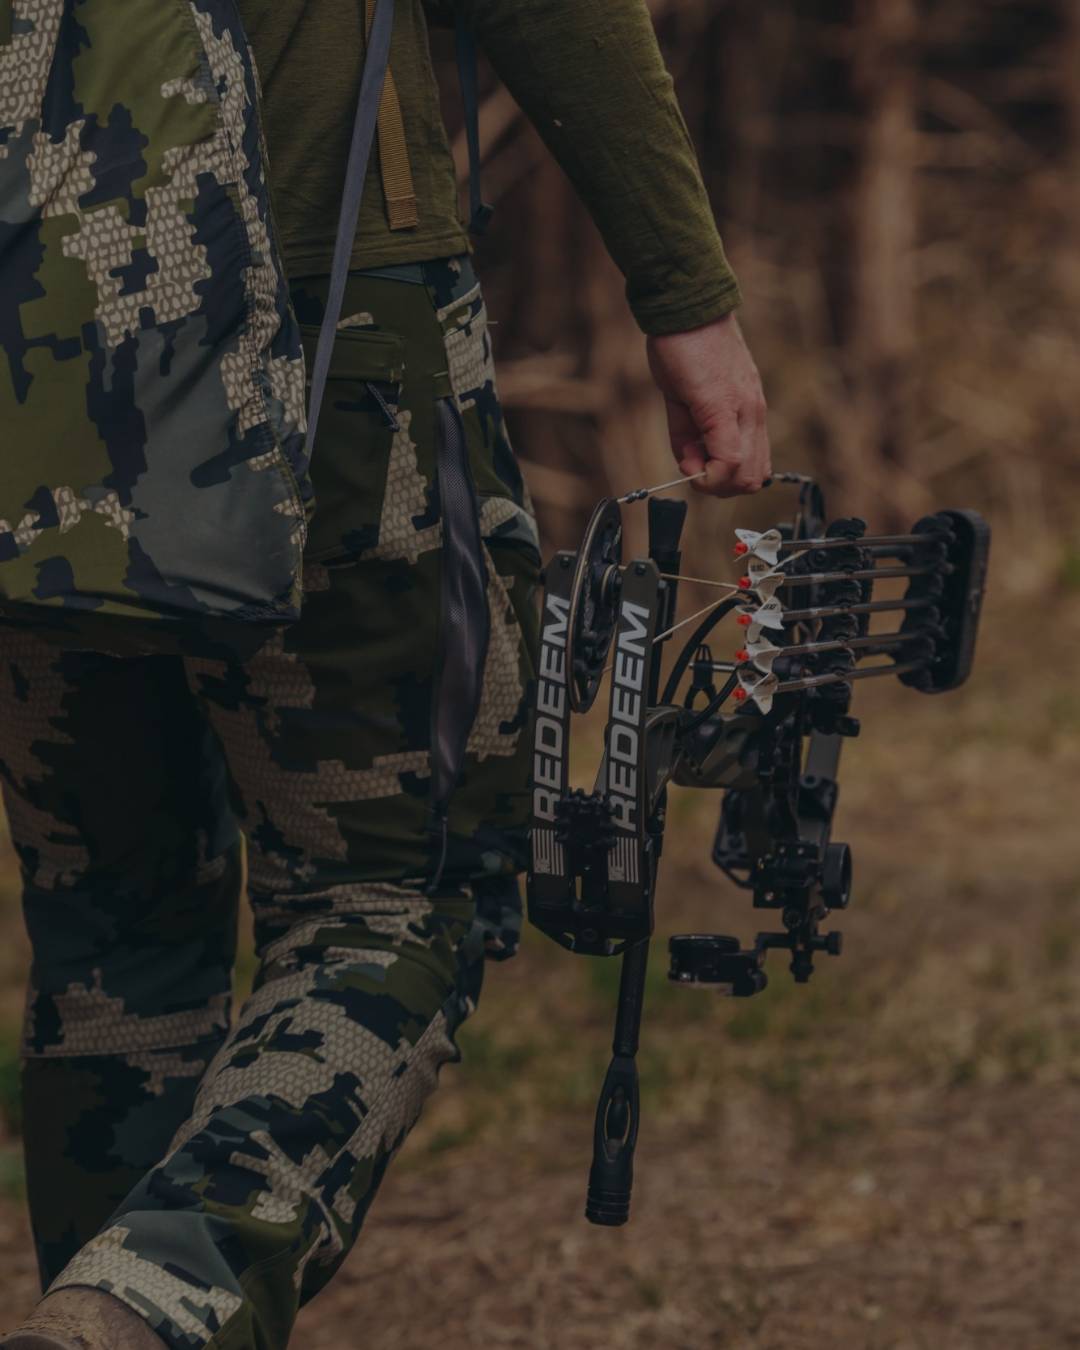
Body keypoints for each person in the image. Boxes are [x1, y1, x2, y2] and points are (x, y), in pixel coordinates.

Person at [0, 2, 770, 1347]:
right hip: (333, 303)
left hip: (33, 339)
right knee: (395, 893)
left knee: (111, 916)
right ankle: (147, 1305)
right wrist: (685, 295)